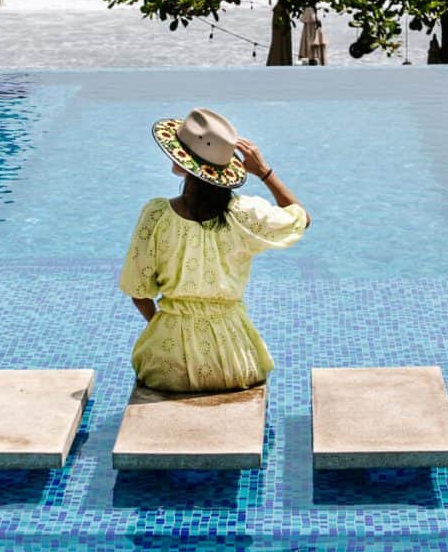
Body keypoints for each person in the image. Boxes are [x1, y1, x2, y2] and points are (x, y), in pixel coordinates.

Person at [119, 107, 310, 393]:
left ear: (182, 164)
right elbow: (301, 219)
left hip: (168, 363)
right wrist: (265, 173)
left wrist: (163, 326)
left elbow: (139, 292)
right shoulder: (245, 215)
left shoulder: (156, 215)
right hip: (234, 362)